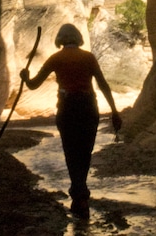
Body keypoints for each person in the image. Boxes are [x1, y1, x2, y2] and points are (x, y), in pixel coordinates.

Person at [21, 22, 122, 218]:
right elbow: (103, 85)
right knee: (85, 152)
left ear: (60, 40)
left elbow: (33, 85)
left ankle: (79, 196)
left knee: (71, 151)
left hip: (67, 108)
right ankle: (81, 195)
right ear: (78, 39)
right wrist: (114, 110)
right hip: (88, 107)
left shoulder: (56, 59)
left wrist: (25, 77)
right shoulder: (89, 58)